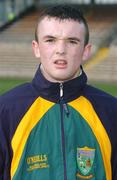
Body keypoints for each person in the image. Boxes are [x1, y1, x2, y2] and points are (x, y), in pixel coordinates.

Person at [0, 4, 117, 180]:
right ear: (36, 48)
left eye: (72, 41)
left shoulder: (111, 111)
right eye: (50, 40)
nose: (60, 50)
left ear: (86, 51)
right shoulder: (6, 109)